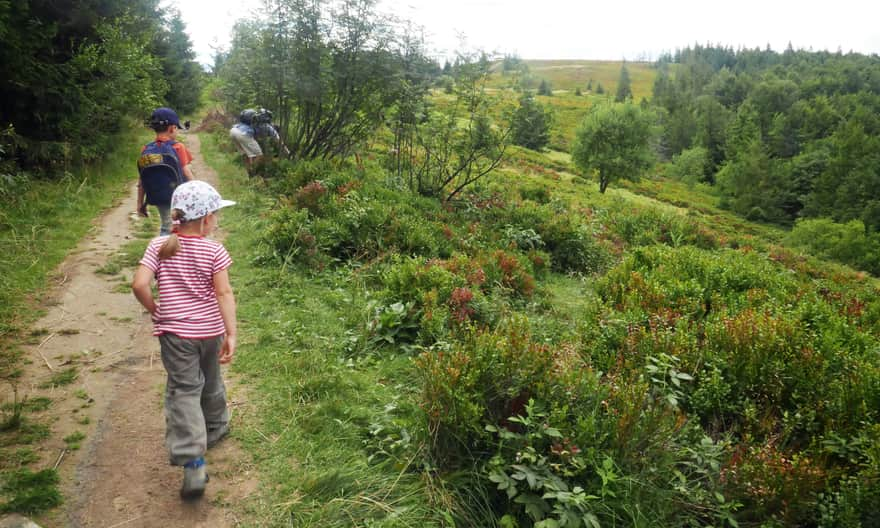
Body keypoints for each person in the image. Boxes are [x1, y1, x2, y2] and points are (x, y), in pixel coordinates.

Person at [131, 180, 237, 500]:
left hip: (176, 335)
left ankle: (193, 462)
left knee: (185, 390)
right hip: (210, 331)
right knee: (211, 379)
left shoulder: (158, 245)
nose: (217, 221)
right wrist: (231, 333)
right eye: (216, 215)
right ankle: (216, 427)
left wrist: (155, 309)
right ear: (205, 219)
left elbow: (139, 285)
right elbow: (224, 293)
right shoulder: (214, 250)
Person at [137, 107, 195, 235]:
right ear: (172, 128)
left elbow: (142, 179)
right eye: (177, 129)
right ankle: (179, 252)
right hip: (179, 196)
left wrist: (140, 203)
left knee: (166, 224)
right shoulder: (178, 147)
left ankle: (164, 252)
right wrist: (197, 191)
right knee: (184, 226)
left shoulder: (145, 149)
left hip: (158, 195)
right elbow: (186, 172)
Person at [228, 108, 287, 173]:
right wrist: (287, 152)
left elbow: (253, 139)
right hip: (243, 133)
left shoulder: (259, 123)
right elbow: (279, 142)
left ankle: (248, 173)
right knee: (259, 155)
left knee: (246, 155)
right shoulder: (271, 129)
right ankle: (252, 171)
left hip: (233, 130)